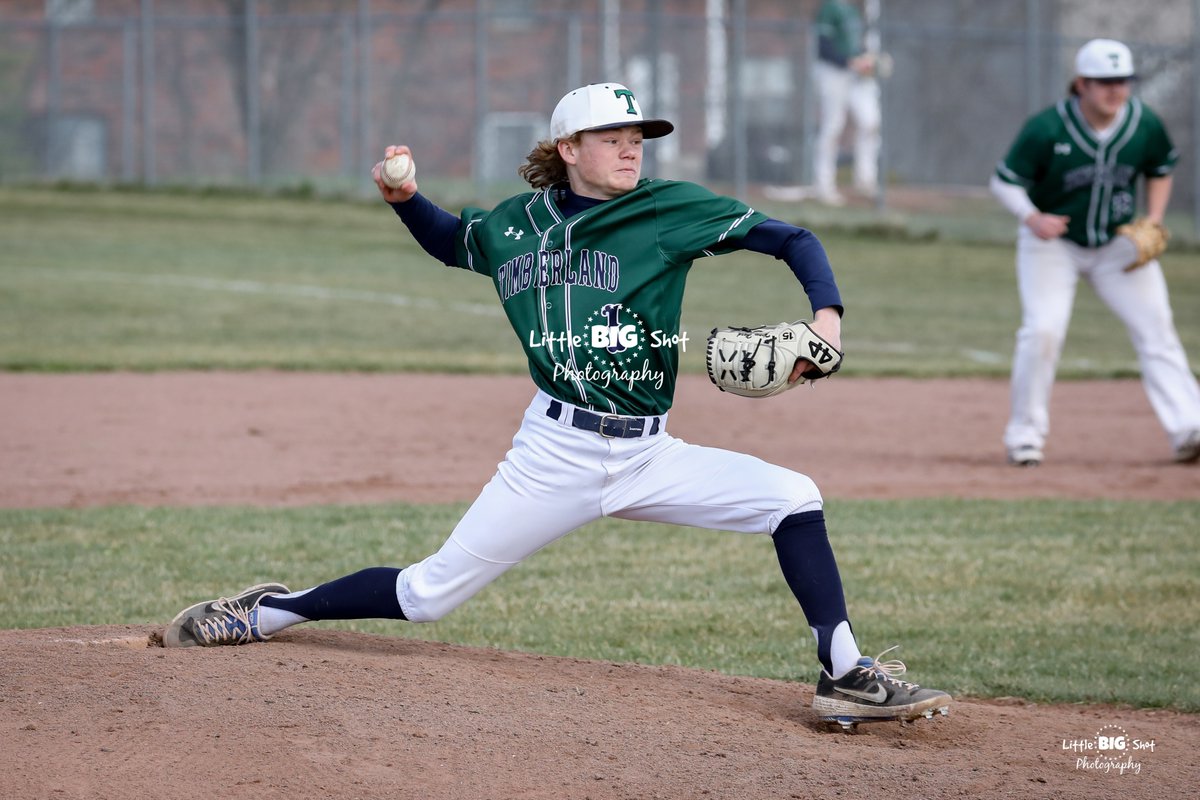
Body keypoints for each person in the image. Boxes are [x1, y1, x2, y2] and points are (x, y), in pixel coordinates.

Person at [163, 82, 950, 727]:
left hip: (649, 453)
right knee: (427, 594)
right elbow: (455, 242)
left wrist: (826, 321)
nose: (632, 147)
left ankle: (845, 673)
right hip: (555, 454)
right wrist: (405, 197)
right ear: (568, 150)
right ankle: (265, 612)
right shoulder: (518, 225)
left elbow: (793, 239)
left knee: (793, 498)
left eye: (638, 135)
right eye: (613, 136)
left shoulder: (666, 208)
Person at [990, 39, 1200, 467]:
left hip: (1117, 247)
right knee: (1042, 331)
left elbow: (1160, 169)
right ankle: (1024, 437)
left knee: (1157, 331)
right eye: (1105, 82)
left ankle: (1189, 428)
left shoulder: (1143, 124)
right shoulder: (1048, 127)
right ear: (1081, 84)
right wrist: (1032, 217)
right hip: (1053, 245)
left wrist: (1155, 219)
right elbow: (1004, 181)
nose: (1115, 90)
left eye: (1122, 81)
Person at [812, 0, 882, 206]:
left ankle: (865, 180)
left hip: (854, 75)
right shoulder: (829, 8)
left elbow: (854, 44)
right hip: (832, 73)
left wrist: (867, 59)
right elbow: (823, 47)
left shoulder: (852, 10)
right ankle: (823, 185)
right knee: (833, 126)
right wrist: (849, 61)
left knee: (870, 121)